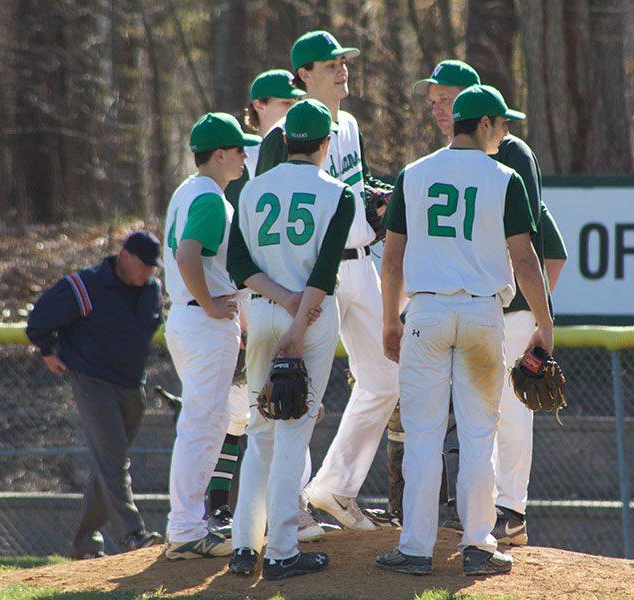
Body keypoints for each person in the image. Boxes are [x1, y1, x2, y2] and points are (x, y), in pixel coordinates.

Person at [379, 60, 569, 544]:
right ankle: (480, 540)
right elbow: (528, 259)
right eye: (501, 123)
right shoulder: (502, 176)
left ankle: (415, 545)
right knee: (482, 432)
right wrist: (546, 323)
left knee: (426, 433)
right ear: (483, 122)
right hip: (485, 312)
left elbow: (393, 261)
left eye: (445, 100)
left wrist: (390, 320)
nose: (504, 132)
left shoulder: (414, 173)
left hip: (426, 313)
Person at [255, 29, 399, 536]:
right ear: (303, 76)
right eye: (328, 62)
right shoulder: (280, 139)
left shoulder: (351, 124)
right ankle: (288, 507)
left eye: (343, 60)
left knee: (386, 378)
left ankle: (335, 488)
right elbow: (269, 209)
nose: (341, 68)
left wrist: (378, 199)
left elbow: (352, 189)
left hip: (362, 262)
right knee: (303, 393)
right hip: (317, 274)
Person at [227, 99, 355, 580]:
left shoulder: (251, 189)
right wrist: (298, 325)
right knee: (293, 431)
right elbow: (325, 269)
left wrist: (281, 300)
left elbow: (239, 264)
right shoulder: (338, 193)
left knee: (259, 430)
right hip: (313, 316)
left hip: (262, 311)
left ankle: (244, 544)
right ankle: (281, 550)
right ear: (325, 144)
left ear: (282, 141)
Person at [206, 68, 306, 539]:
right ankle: (219, 507)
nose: (290, 112)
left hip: (267, 292)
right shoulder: (241, 153)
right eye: (283, 104)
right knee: (234, 410)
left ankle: (267, 514)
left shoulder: (288, 152)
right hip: (238, 290)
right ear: (259, 105)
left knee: (263, 411)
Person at [26, 231, 165, 560]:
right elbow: (40, 318)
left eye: (153, 267)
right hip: (92, 379)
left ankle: (84, 544)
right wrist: (47, 351)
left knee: (108, 464)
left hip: (133, 384)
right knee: (114, 459)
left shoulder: (151, 290)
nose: (148, 272)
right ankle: (132, 534)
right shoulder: (85, 285)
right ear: (125, 255)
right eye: (144, 265)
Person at [161, 112, 261, 560]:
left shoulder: (189, 189)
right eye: (238, 149)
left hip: (188, 319)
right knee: (202, 426)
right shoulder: (208, 196)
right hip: (202, 321)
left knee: (205, 423)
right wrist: (210, 303)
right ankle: (185, 529)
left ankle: (188, 525)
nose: (243, 156)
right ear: (219, 154)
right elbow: (187, 256)